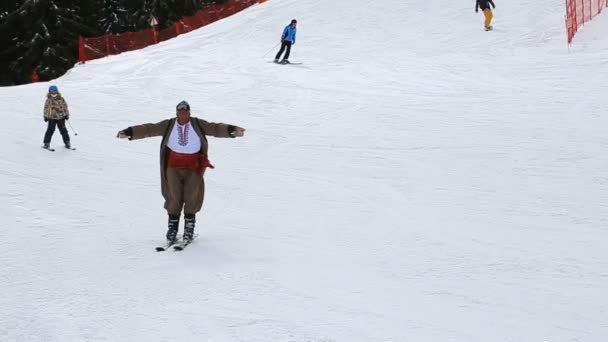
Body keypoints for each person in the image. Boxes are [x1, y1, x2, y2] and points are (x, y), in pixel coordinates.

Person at [116, 101, 245, 244]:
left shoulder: (197, 124)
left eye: (186, 112)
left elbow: (214, 128)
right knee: (173, 195)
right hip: (173, 166)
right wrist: (130, 132)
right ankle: (172, 229)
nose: (183, 115)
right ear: (177, 114)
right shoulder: (169, 124)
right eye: (180, 113)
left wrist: (231, 130)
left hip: (194, 166)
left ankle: (189, 228)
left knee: (192, 195)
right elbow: (149, 129)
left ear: (189, 113)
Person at [43, 85, 71, 149]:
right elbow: (46, 108)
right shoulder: (48, 100)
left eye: (55, 91)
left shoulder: (61, 99)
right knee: (50, 130)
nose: (53, 93)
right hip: (52, 118)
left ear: (57, 91)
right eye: (52, 92)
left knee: (63, 130)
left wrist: (66, 114)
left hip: (61, 117)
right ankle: (46, 143)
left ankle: (67, 142)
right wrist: (45, 116)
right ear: (49, 92)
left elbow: (65, 107)